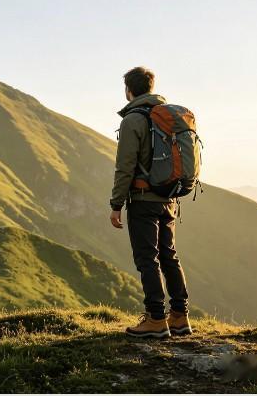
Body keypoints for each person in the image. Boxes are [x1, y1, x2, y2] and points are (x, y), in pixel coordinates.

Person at [109, 66, 192, 338]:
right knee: (169, 255)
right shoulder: (165, 116)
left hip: (144, 199)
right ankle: (179, 316)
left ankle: (156, 318)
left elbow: (125, 166)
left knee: (148, 258)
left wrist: (116, 204)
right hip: (169, 197)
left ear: (128, 91)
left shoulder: (133, 120)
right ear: (152, 87)